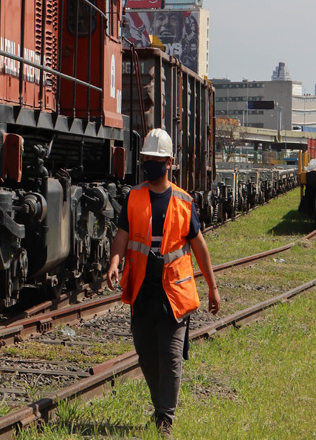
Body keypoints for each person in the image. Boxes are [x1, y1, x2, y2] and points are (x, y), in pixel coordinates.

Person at [106, 128, 221, 437]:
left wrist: (212, 286)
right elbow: (122, 236)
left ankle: (165, 420)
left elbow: (199, 246)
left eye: (156, 159)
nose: (150, 164)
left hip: (175, 294)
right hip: (143, 291)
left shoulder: (184, 202)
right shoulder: (134, 197)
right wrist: (115, 263)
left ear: (169, 162)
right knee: (147, 355)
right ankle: (160, 408)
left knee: (170, 358)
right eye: (146, 159)